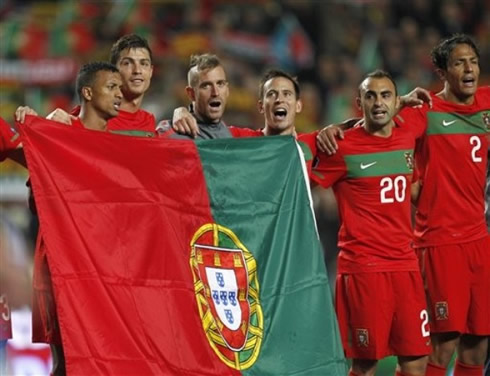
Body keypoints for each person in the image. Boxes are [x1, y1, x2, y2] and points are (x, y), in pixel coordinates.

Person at [306, 70, 430, 376]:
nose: (378, 102)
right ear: (358, 104)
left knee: (416, 362)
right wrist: (326, 131)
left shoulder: (407, 132)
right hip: (365, 269)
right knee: (365, 365)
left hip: (405, 264)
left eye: (385, 95)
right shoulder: (341, 147)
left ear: (395, 100)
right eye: (370, 96)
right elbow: (297, 168)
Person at [397, 34, 489, 376]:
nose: (469, 69)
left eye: (473, 61)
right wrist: (401, 102)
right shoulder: (426, 112)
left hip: (479, 239)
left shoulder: (486, 104)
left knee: (478, 343)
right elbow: (378, 129)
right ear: (442, 72)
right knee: (443, 343)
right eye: (459, 62)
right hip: (440, 242)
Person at [29, 61, 123, 376]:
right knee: (68, 362)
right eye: (111, 87)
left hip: (107, 266)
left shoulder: (123, 146)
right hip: (63, 266)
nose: (119, 94)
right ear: (87, 92)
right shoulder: (58, 135)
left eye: (119, 88)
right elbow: (36, 201)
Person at [16, 34, 156, 135]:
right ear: (114, 71)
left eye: (144, 64)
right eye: (127, 63)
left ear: (151, 71)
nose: (137, 71)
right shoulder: (93, 116)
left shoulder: (149, 122)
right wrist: (37, 124)